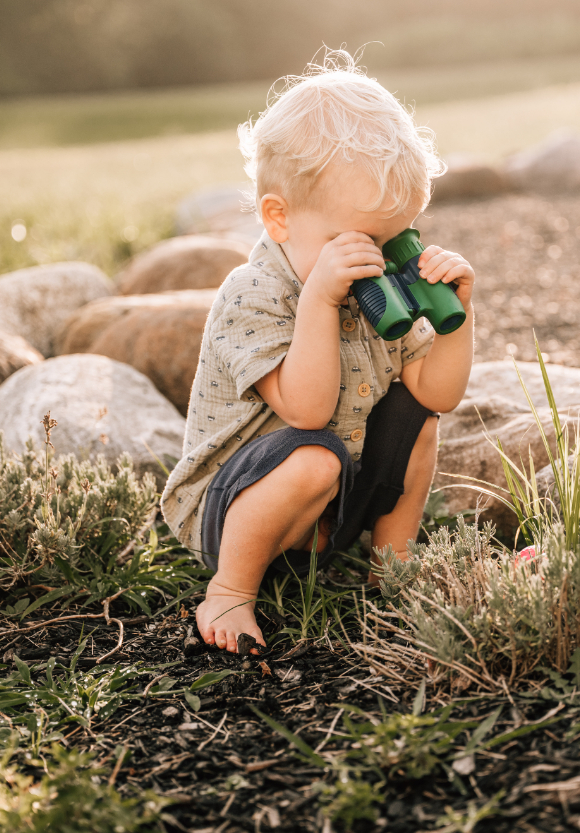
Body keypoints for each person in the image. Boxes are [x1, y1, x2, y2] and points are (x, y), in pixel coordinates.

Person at [160, 50, 476, 654]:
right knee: (314, 458)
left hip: (328, 512)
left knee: (418, 419)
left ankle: (393, 567)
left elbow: (437, 392)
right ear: (278, 218)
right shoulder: (254, 295)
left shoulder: (381, 290)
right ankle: (229, 591)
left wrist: (456, 319)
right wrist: (320, 304)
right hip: (232, 516)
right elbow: (305, 410)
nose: (375, 262)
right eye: (353, 242)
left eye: (394, 239)